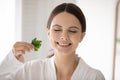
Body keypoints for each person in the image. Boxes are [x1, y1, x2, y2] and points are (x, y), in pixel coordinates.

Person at [0, 3, 105, 80]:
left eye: (72, 31)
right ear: (48, 33)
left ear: (82, 36)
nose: (64, 36)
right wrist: (12, 59)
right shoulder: (30, 70)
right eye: (57, 30)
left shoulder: (94, 77)